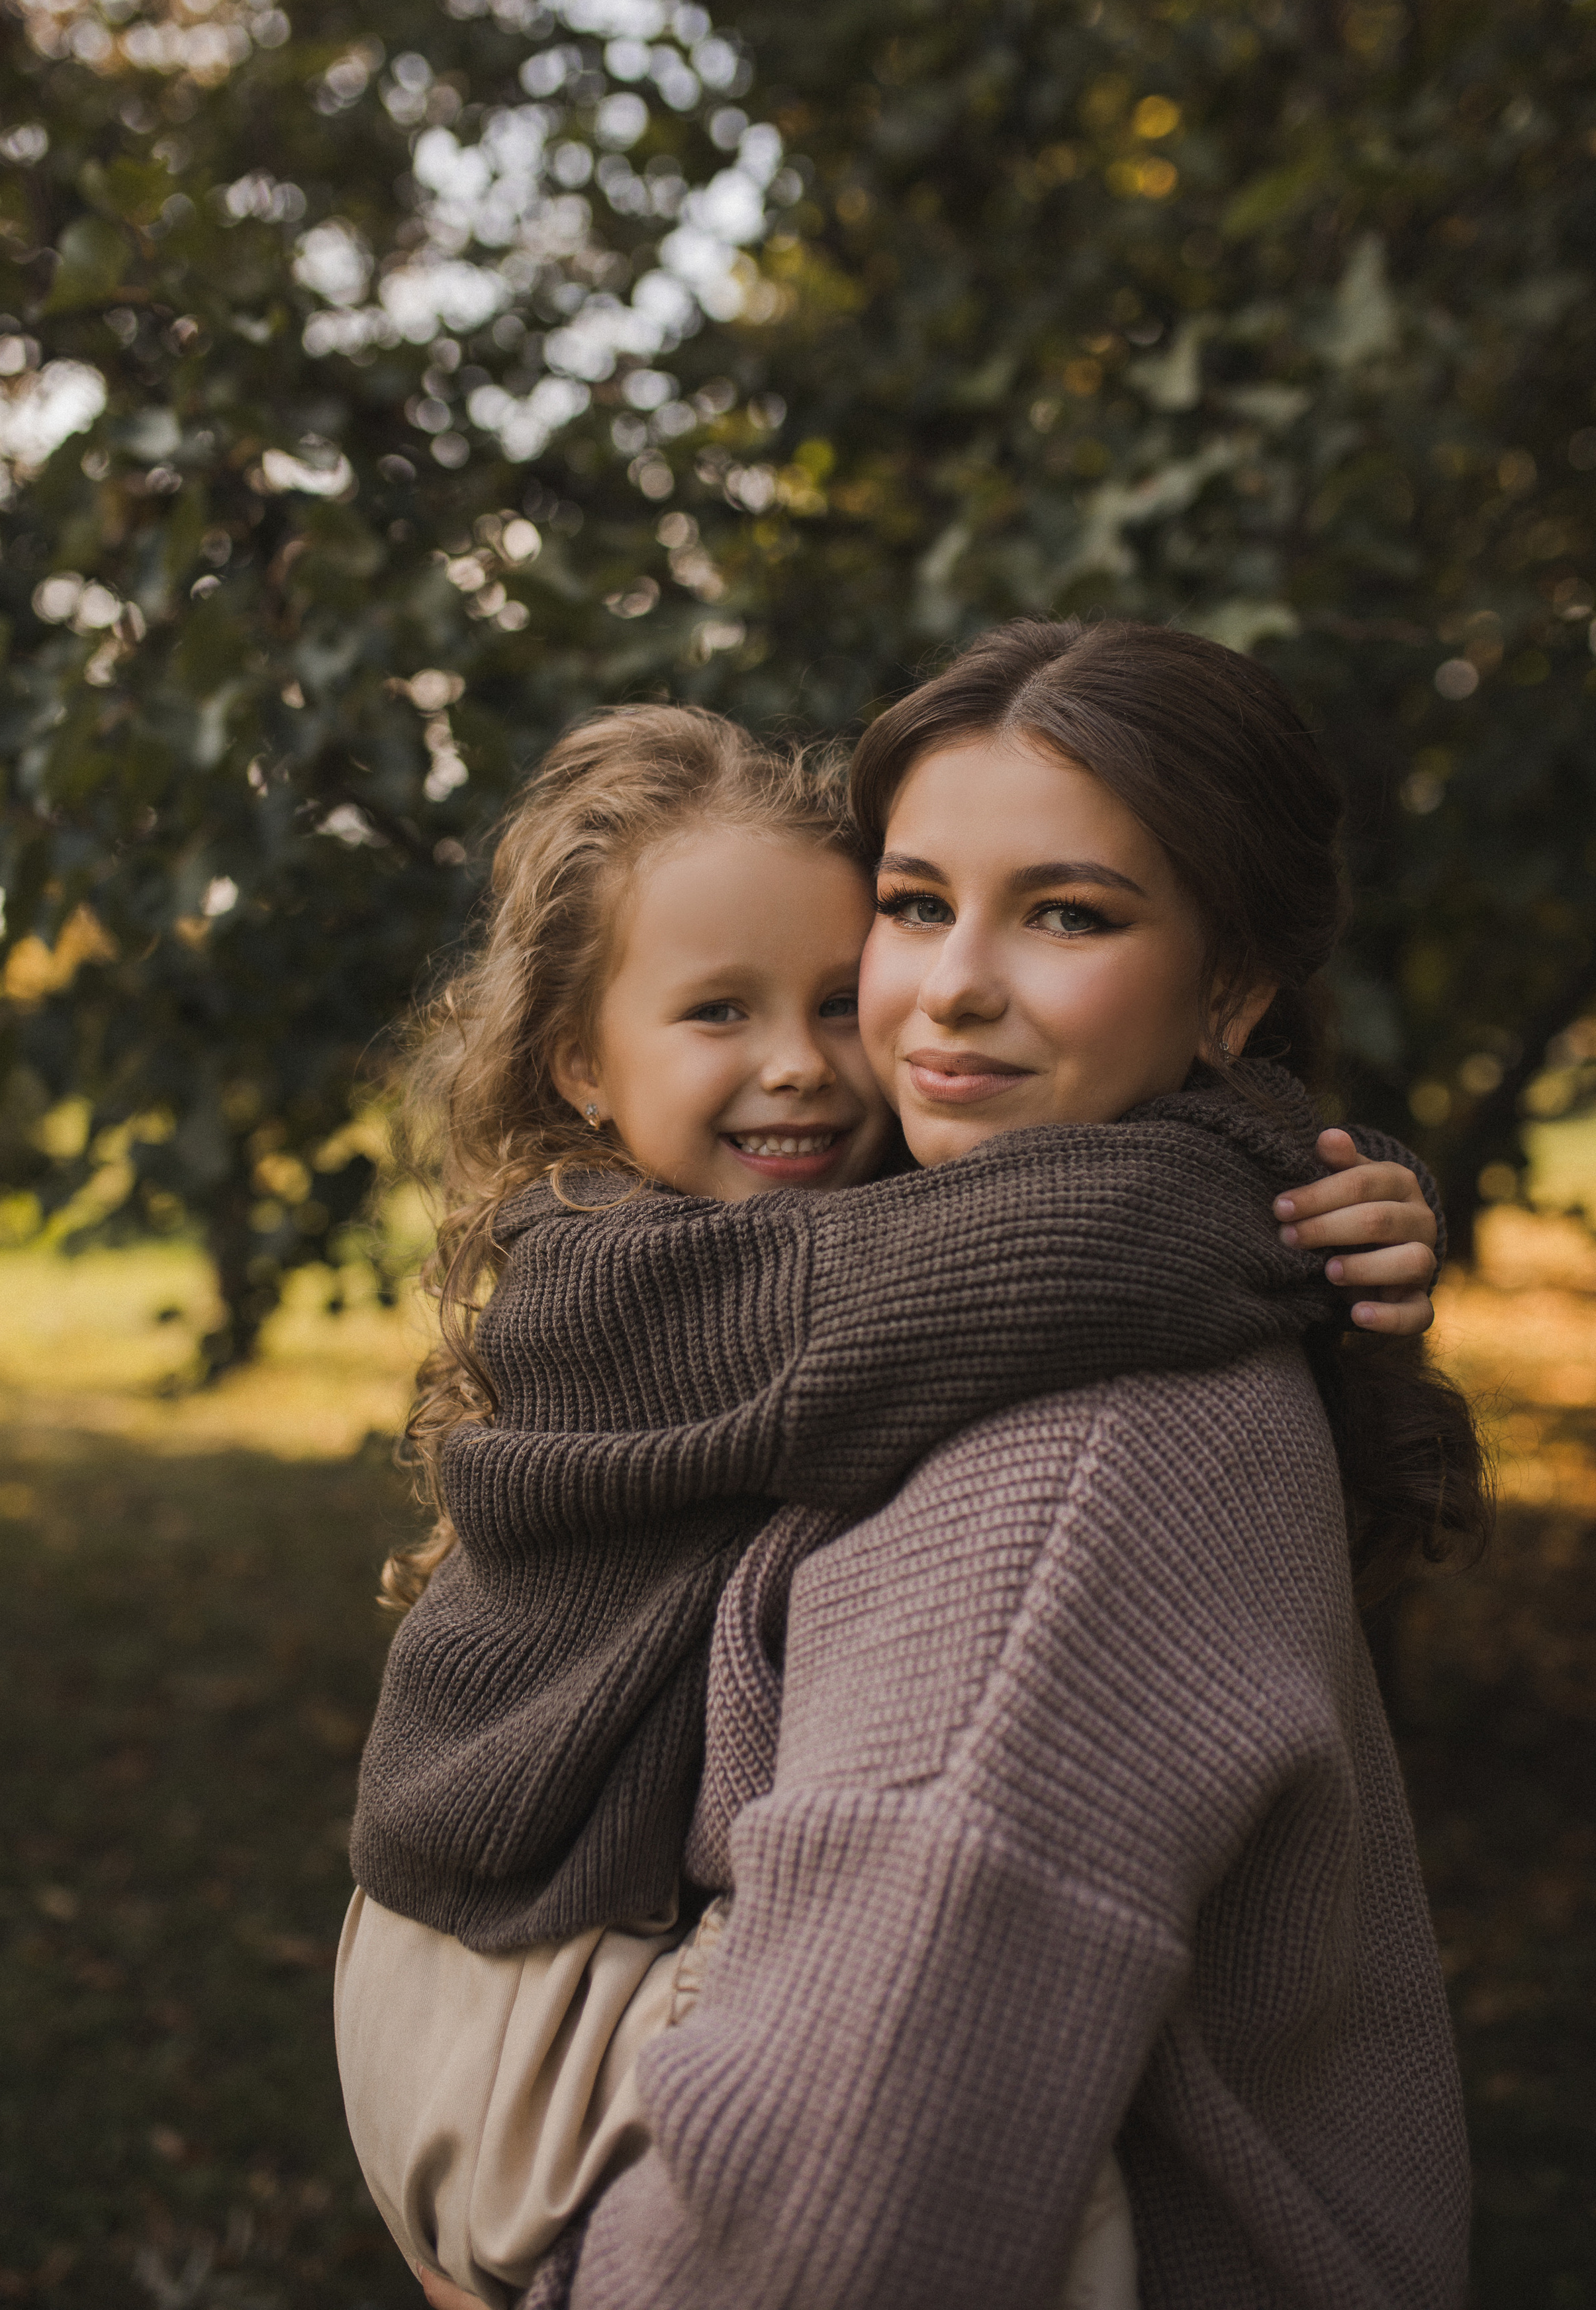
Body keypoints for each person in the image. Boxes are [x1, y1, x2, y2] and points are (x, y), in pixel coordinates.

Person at [335, 685, 1448, 2307]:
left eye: (840, 997)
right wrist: (1272, 1182)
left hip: (528, 1938)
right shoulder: (612, 1281)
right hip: (498, 1965)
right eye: (715, 1013)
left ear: (1229, 983)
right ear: (576, 1065)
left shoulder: (872, 1243)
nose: (811, 1063)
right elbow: (1075, 1239)